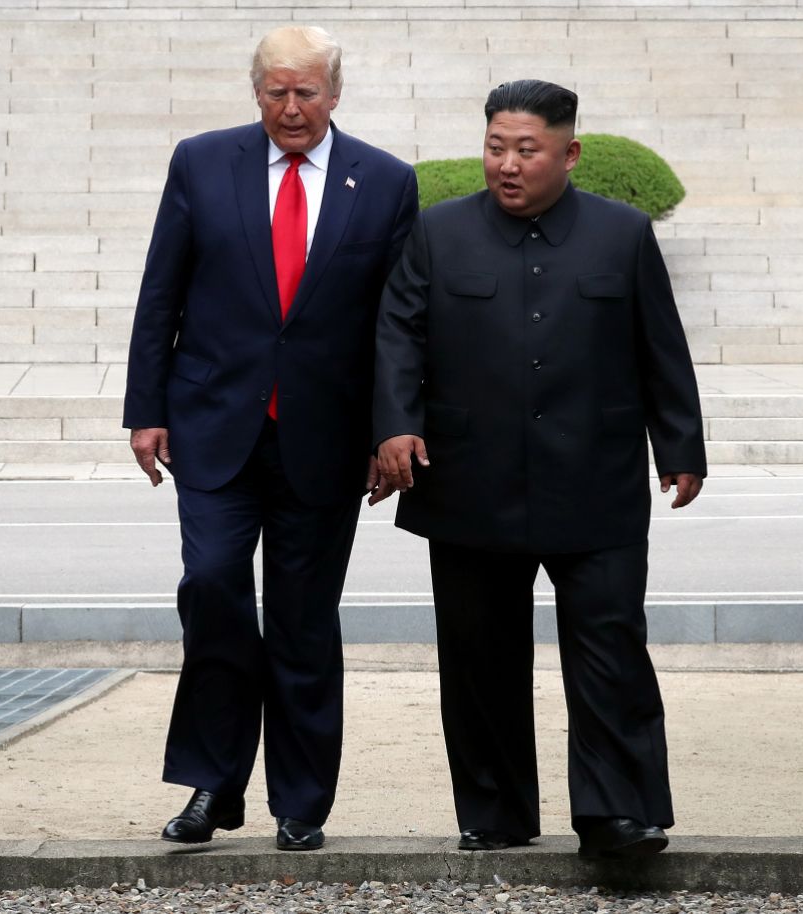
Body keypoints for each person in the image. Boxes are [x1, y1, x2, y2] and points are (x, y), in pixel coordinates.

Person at [372, 79, 706, 859]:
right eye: (496, 147)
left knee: (610, 647)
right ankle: (494, 814)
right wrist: (393, 425)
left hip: (596, 475)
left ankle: (617, 814)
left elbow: (662, 345)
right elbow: (397, 336)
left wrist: (681, 446)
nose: (507, 165)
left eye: (527, 150)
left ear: (570, 153)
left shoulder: (621, 235)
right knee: (479, 655)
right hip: (467, 479)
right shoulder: (437, 232)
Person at [121, 25, 419, 852]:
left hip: (326, 438)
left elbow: (399, 323)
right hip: (213, 427)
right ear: (255, 92)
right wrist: (146, 408)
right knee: (213, 591)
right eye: (275, 91)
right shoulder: (201, 161)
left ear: (335, 93)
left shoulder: (387, 182)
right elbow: (161, 292)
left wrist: (393, 426)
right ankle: (214, 786)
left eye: (307, 92)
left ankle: (302, 801)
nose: (291, 108)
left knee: (303, 621)